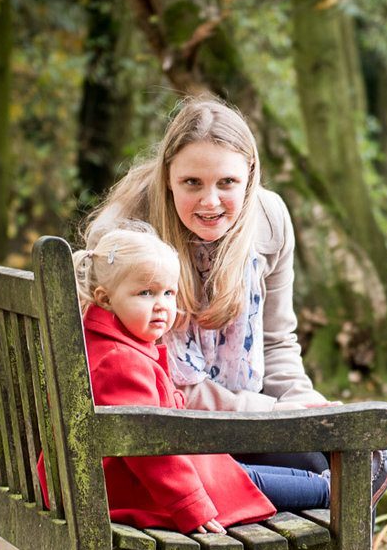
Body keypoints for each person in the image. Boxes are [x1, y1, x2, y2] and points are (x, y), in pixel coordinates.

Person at [91, 96, 387, 550]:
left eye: (228, 182)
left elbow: (278, 341)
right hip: (167, 436)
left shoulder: (269, 220)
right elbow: (158, 382)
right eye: (192, 182)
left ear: (251, 177)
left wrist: (300, 401)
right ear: (166, 177)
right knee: (339, 475)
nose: (211, 200)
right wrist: (270, 414)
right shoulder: (127, 236)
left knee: (355, 452)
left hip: (242, 415)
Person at [71, 225, 291, 533]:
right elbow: (146, 449)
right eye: (145, 293)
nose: (161, 304)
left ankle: (338, 487)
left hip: (153, 478)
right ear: (105, 299)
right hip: (139, 490)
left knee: (279, 478)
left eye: (168, 293)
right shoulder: (119, 361)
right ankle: (340, 492)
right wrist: (191, 506)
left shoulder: (118, 344)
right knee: (313, 490)